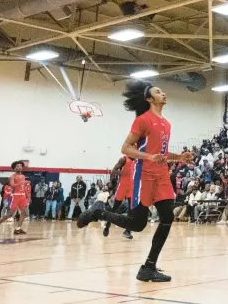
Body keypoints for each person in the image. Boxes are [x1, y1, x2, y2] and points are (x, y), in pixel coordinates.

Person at [77, 80, 192, 282]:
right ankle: (98, 212)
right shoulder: (143, 120)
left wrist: (179, 158)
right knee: (138, 224)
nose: (163, 93)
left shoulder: (166, 123)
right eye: (158, 91)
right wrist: (148, 157)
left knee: (167, 217)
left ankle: (148, 267)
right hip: (144, 174)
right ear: (149, 99)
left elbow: (161, 153)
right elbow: (126, 148)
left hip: (162, 175)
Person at [0, 161, 30, 236]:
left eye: (20, 166)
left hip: (23, 196)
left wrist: (27, 195)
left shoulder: (23, 176)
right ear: (14, 168)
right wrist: (22, 182)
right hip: (16, 196)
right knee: (10, 214)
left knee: (25, 213)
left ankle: (18, 229)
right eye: (17, 166)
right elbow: (12, 185)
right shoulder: (12, 176)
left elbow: (23, 187)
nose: (19, 167)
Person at [104, 156, 134, 239]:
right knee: (114, 208)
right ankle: (107, 226)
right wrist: (122, 173)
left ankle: (127, 231)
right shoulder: (124, 159)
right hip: (122, 186)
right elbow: (113, 171)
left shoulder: (137, 160)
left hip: (131, 186)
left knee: (132, 209)